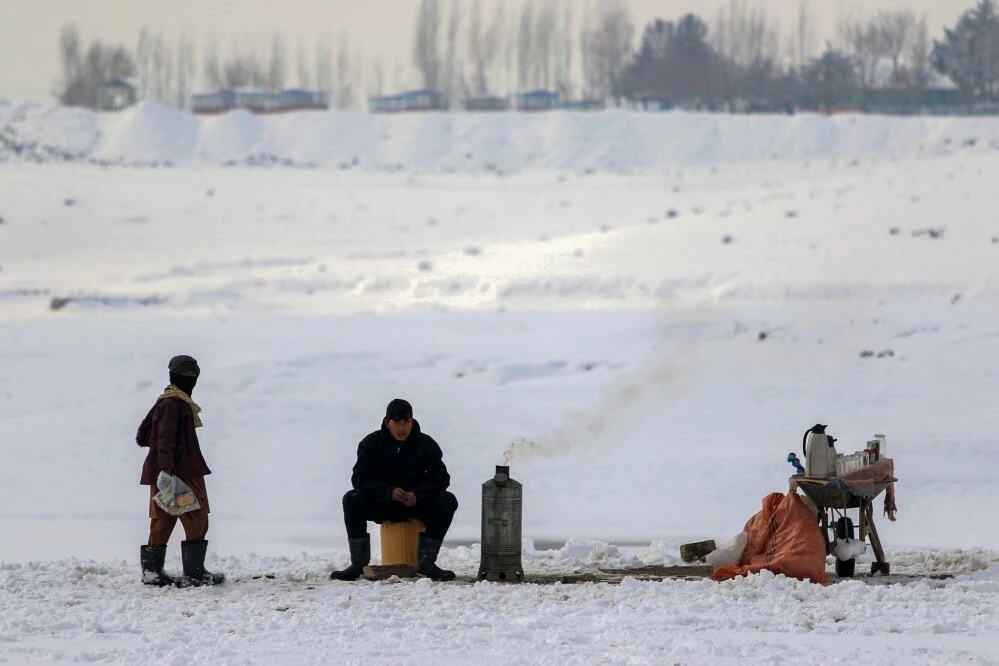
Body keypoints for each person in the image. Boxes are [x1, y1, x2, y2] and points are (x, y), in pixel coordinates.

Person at [331, 399, 459, 581]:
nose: (402, 428)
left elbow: (441, 478)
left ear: (412, 422)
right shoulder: (370, 444)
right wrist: (387, 492)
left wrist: (418, 494)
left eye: (406, 422)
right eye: (397, 423)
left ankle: (427, 562)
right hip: (383, 504)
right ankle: (358, 564)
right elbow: (360, 479)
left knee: (447, 500)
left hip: (415, 504)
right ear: (387, 422)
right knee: (352, 498)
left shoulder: (426, 444)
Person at [137, 355, 225, 587]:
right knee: (176, 518)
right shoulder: (170, 404)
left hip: (183, 470)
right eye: (185, 374)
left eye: (193, 375)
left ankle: (187, 571)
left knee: (187, 519)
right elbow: (163, 440)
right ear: (173, 375)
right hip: (175, 473)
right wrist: (166, 471)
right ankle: (160, 572)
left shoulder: (178, 402)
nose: (189, 378)